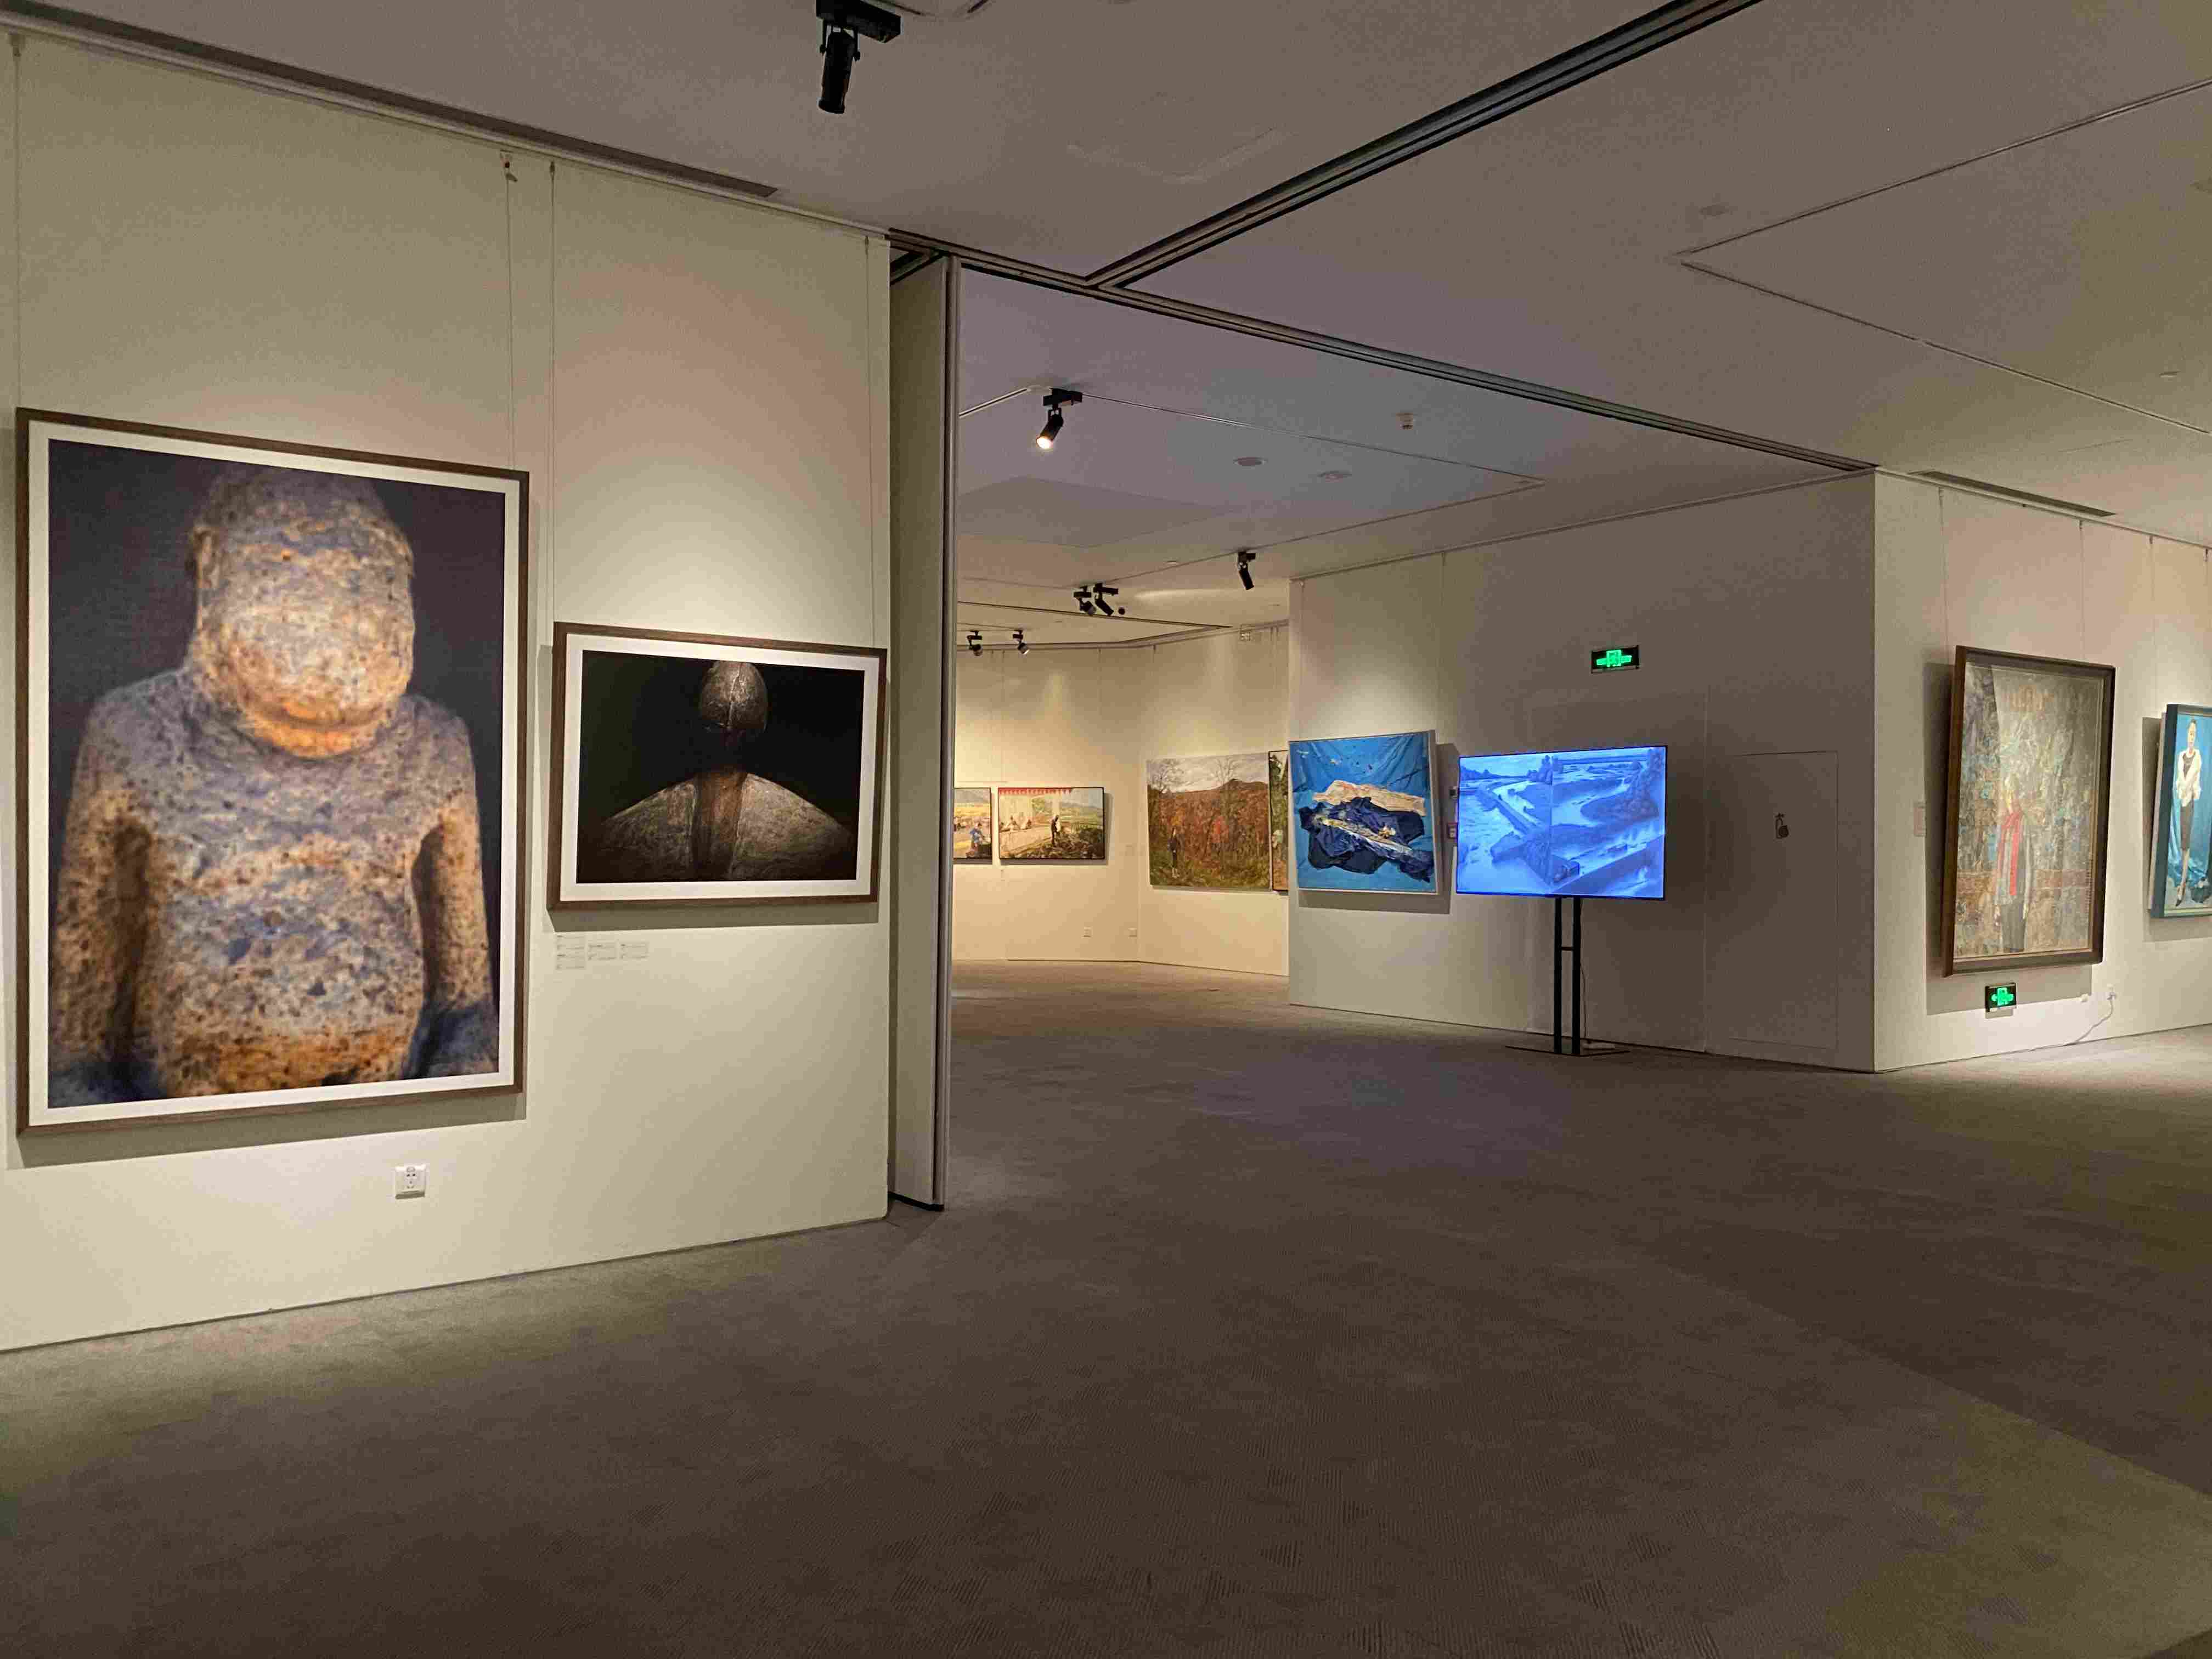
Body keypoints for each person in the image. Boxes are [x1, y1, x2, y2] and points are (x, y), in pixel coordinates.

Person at [1993, 775, 2033, 953]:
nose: (2011, 798)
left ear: (2018, 795)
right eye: (2008, 794)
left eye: (2014, 793)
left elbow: (2030, 865)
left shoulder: (2024, 823)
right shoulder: (2004, 826)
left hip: (2018, 898)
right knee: (2006, 949)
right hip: (2004, 898)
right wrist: (1996, 903)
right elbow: (2000, 868)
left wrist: (2027, 900)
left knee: (2017, 948)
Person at [2174, 718, 2203, 904]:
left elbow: (2194, 783)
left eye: (2194, 734)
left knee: (2186, 847)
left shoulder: (2197, 757)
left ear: (2196, 736)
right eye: (2190, 733)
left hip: (2189, 805)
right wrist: (2181, 789)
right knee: (2182, 846)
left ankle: (2182, 886)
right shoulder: (2181, 756)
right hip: (2181, 803)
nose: (2191, 737)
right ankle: (2182, 882)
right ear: (2187, 734)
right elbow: (2179, 781)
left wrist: (2189, 790)